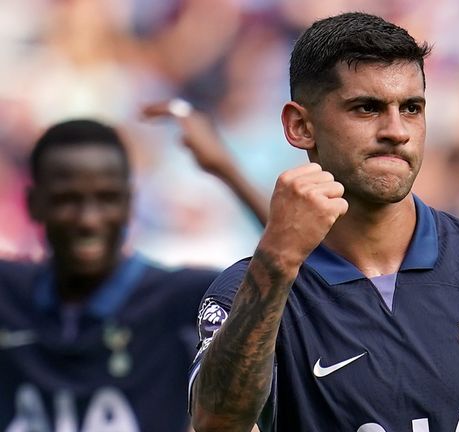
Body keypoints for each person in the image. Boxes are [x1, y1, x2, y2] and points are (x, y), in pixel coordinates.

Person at [189, 12, 459, 432]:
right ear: (300, 126)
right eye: (366, 108)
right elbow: (216, 423)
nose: (396, 130)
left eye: (412, 108)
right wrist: (277, 263)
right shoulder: (245, 293)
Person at [0, 104, 267, 432]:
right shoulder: (9, 293)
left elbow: (302, 270)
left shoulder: (177, 299)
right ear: (33, 204)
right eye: (67, 199)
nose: (88, 219)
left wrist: (225, 168)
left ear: (130, 203)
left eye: (107, 198)